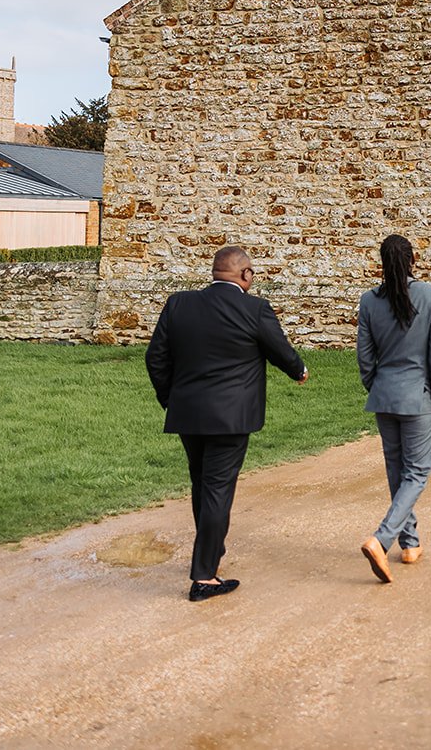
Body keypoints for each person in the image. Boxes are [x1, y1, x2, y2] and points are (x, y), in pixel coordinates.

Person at [146, 245, 308, 602]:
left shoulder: (179, 304)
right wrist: (299, 371)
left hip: (188, 414)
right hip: (230, 418)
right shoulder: (255, 309)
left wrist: (170, 399)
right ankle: (204, 576)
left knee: (202, 485)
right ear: (246, 275)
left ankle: (210, 553)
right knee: (218, 489)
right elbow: (279, 349)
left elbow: (156, 357)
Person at [356, 234, 431, 584]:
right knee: (417, 472)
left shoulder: (368, 301)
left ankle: (410, 543)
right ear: (413, 261)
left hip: (385, 396)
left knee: (398, 471)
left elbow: (365, 357)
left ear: (382, 263)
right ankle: (382, 540)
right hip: (420, 396)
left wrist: (375, 386)